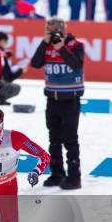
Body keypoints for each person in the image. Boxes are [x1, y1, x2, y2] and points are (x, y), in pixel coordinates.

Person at [30, 17, 84, 190]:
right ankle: (57, 173)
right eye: (49, 31)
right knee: (54, 138)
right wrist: (43, 43)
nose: (53, 35)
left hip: (70, 99)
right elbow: (35, 63)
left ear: (63, 31)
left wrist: (61, 48)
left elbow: (76, 64)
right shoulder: (46, 46)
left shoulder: (76, 45)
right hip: (52, 99)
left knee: (70, 138)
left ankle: (75, 177)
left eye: (55, 31)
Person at [0, 31, 24, 105]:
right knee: (16, 88)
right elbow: (8, 77)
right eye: (6, 41)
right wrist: (20, 71)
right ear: (1, 41)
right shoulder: (1, 54)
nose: (6, 44)